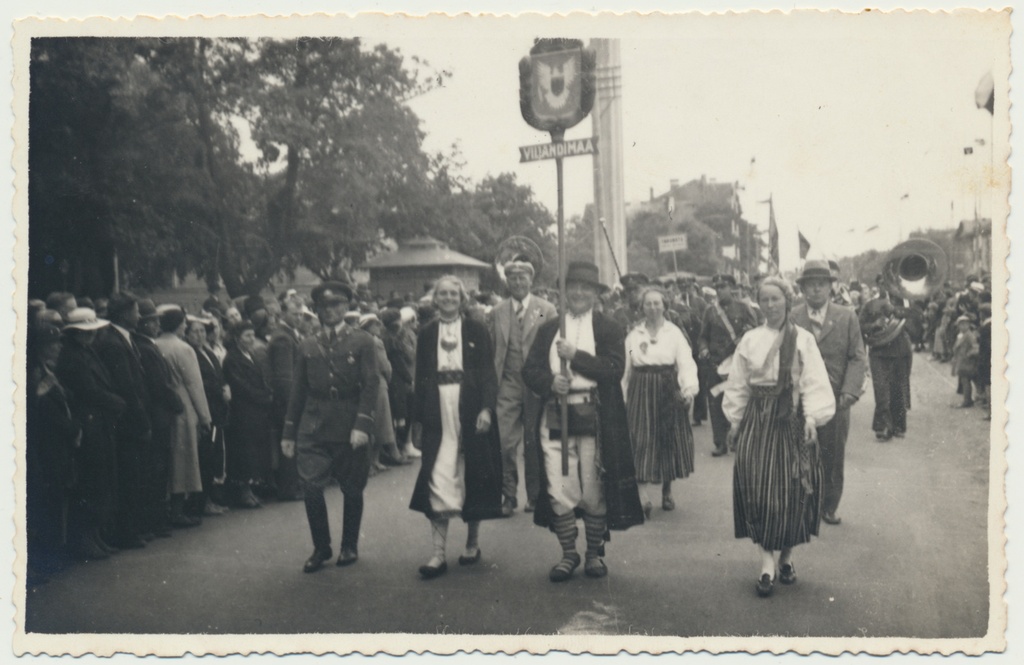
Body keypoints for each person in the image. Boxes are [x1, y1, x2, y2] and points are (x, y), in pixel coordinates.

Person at [522, 261, 645, 582]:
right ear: (563, 292)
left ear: (595, 293)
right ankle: (568, 554)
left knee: (592, 488)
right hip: (556, 415)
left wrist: (575, 355)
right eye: (572, 287)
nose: (578, 292)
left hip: (596, 416)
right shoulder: (548, 328)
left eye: (585, 288)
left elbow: (613, 369)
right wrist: (550, 382)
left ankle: (592, 554)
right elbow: (529, 370)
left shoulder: (608, 328)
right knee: (560, 485)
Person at [723, 277, 836, 597]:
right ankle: (766, 563)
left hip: (792, 419)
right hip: (758, 419)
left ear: (787, 301)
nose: (770, 305)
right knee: (758, 488)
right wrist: (734, 421)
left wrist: (813, 417)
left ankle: (786, 557)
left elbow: (814, 380)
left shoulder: (802, 339)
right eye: (765, 300)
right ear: (758, 303)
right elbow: (738, 383)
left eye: (776, 299)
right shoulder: (749, 339)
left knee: (792, 491)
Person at [409, 275, 503, 579]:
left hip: (470, 406)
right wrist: (418, 419)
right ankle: (437, 554)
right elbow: (420, 377)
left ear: (461, 298)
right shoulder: (426, 333)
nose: (448, 298)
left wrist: (487, 409)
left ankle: (472, 542)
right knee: (437, 473)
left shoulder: (476, 328)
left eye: (454, 293)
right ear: (435, 299)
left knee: (471, 473)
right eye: (443, 293)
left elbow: (489, 373)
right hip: (437, 407)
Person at [281, 281, 379, 573]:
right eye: (325, 306)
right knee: (311, 487)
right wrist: (289, 432)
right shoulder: (307, 344)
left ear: (347, 307)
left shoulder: (362, 341)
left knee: (352, 487)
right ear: (317, 310)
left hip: (349, 422)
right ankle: (321, 547)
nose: (331, 311)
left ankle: (349, 545)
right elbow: (297, 391)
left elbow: (370, 385)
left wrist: (362, 424)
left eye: (337, 304)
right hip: (314, 423)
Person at [791, 261, 868, 526]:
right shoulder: (792, 317)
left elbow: (858, 357)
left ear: (830, 287)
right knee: (798, 449)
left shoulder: (846, 316)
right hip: (799, 398)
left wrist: (850, 390)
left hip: (836, 397)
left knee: (832, 453)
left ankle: (828, 505)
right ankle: (802, 502)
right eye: (809, 285)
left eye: (821, 284)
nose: (815, 290)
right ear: (802, 289)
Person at [488, 255, 557, 516]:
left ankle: (535, 495)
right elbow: (494, 348)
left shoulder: (544, 309)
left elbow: (552, 344)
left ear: (531, 279)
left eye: (522, 277)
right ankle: (508, 495)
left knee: (533, 441)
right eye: (512, 277)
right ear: (506, 281)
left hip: (536, 382)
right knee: (505, 441)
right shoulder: (497, 311)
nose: (518, 282)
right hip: (508, 383)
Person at [54, 308, 126, 560]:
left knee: (102, 478)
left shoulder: (86, 352)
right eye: (85, 332)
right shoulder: (73, 357)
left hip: (99, 420)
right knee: (93, 480)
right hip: (89, 420)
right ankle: (85, 538)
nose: (90, 336)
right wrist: (118, 402)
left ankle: (95, 535)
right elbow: (89, 390)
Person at [622, 285, 699, 516]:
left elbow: (686, 362)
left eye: (657, 303)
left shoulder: (674, 333)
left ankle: (667, 490)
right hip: (640, 389)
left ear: (665, 306)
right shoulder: (634, 335)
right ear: (642, 307)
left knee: (668, 439)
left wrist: (688, 390)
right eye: (648, 304)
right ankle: (642, 494)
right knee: (640, 439)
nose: (653, 308)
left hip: (667, 387)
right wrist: (622, 397)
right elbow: (626, 371)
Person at [93, 292, 152, 548]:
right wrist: (142, 421)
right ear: (125, 314)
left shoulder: (120, 338)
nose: (139, 316)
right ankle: (127, 532)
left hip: (128, 419)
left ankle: (133, 528)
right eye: (136, 311)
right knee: (129, 476)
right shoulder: (114, 343)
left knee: (134, 475)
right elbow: (127, 387)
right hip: (127, 422)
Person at [26, 323, 80, 582]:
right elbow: (45, 413)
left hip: (59, 445)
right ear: (41, 348)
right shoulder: (36, 375)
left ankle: (53, 555)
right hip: (49, 447)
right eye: (52, 344)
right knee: (48, 502)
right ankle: (45, 559)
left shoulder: (49, 371)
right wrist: (72, 429)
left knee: (57, 499)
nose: (58, 347)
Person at [153, 305, 212, 527]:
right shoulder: (184, 349)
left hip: (162, 404)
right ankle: (177, 510)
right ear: (179, 325)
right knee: (182, 457)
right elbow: (195, 385)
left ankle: (165, 509)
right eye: (184, 323)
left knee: (167, 458)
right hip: (183, 402)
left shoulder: (155, 344)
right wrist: (205, 417)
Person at [134, 299, 185, 534]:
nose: (156, 325)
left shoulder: (148, 345)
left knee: (158, 469)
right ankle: (155, 521)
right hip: (158, 415)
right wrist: (176, 403)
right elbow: (159, 385)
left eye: (156, 321)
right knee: (156, 470)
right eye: (151, 321)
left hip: (158, 414)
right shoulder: (145, 348)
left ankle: (154, 520)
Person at [698, 274, 759, 456]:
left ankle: (739, 439)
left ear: (731, 288)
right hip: (716, 365)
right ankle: (720, 442)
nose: (719, 290)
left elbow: (756, 333)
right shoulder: (710, 311)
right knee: (716, 402)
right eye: (716, 287)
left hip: (737, 366)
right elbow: (703, 336)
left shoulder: (743, 308)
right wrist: (703, 349)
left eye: (723, 286)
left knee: (739, 400)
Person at [223, 320, 275, 508]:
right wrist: (264, 396)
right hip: (243, 411)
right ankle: (244, 492)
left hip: (256, 411)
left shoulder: (250, 354)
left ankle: (251, 490)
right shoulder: (232, 359)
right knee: (244, 454)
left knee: (253, 452)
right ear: (237, 339)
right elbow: (241, 386)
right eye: (247, 336)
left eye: (253, 335)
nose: (252, 339)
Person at [185, 315, 230, 515]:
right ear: (187, 334)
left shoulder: (208, 353)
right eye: (195, 331)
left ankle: (212, 498)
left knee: (215, 456)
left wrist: (225, 386)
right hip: (207, 409)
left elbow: (219, 375)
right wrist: (219, 390)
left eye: (202, 331)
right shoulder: (191, 353)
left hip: (218, 410)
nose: (200, 335)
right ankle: (203, 502)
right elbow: (199, 381)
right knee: (206, 457)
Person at [859, 290, 913, 441]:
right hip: (879, 352)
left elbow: (916, 325)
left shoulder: (907, 302)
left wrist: (902, 312)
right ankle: (883, 427)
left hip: (901, 351)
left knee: (898, 390)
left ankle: (898, 426)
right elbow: (859, 325)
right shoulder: (870, 305)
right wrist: (874, 325)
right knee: (881, 391)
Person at [268, 296, 304, 500]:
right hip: (287, 402)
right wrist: (293, 405)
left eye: (300, 314)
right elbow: (284, 378)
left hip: (288, 401)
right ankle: (289, 488)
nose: (299, 318)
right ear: (283, 313)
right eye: (294, 314)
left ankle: (292, 485)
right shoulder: (283, 338)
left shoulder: (288, 334)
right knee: (289, 442)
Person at [951, 315, 980, 408]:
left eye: (965, 324)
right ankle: (975, 398)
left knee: (966, 381)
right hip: (961, 361)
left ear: (968, 325)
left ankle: (967, 400)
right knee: (968, 380)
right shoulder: (961, 335)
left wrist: (968, 354)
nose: (962, 326)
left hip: (967, 362)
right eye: (961, 324)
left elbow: (975, 348)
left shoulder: (969, 335)